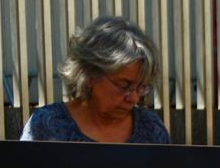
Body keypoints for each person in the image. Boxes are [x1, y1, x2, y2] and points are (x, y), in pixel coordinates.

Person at [21, 15, 170, 144]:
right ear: (90, 75)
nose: (134, 98)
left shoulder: (151, 130)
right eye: (124, 85)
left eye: (141, 87)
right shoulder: (46, 125)